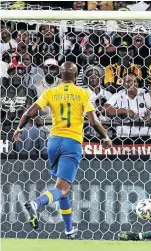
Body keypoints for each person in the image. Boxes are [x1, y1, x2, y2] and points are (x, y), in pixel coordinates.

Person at [12, 61, 112, 239]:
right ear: (76, 75)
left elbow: (29, 113)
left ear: (60, 75)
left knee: (62, 187)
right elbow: (93, 121)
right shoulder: (82, 93)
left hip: (53, 142)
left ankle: (68, 231)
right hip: (71, 142)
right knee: (63, 190)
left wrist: (19, 128)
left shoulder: (51, 92)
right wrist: (105, 137)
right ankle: (36, 204)